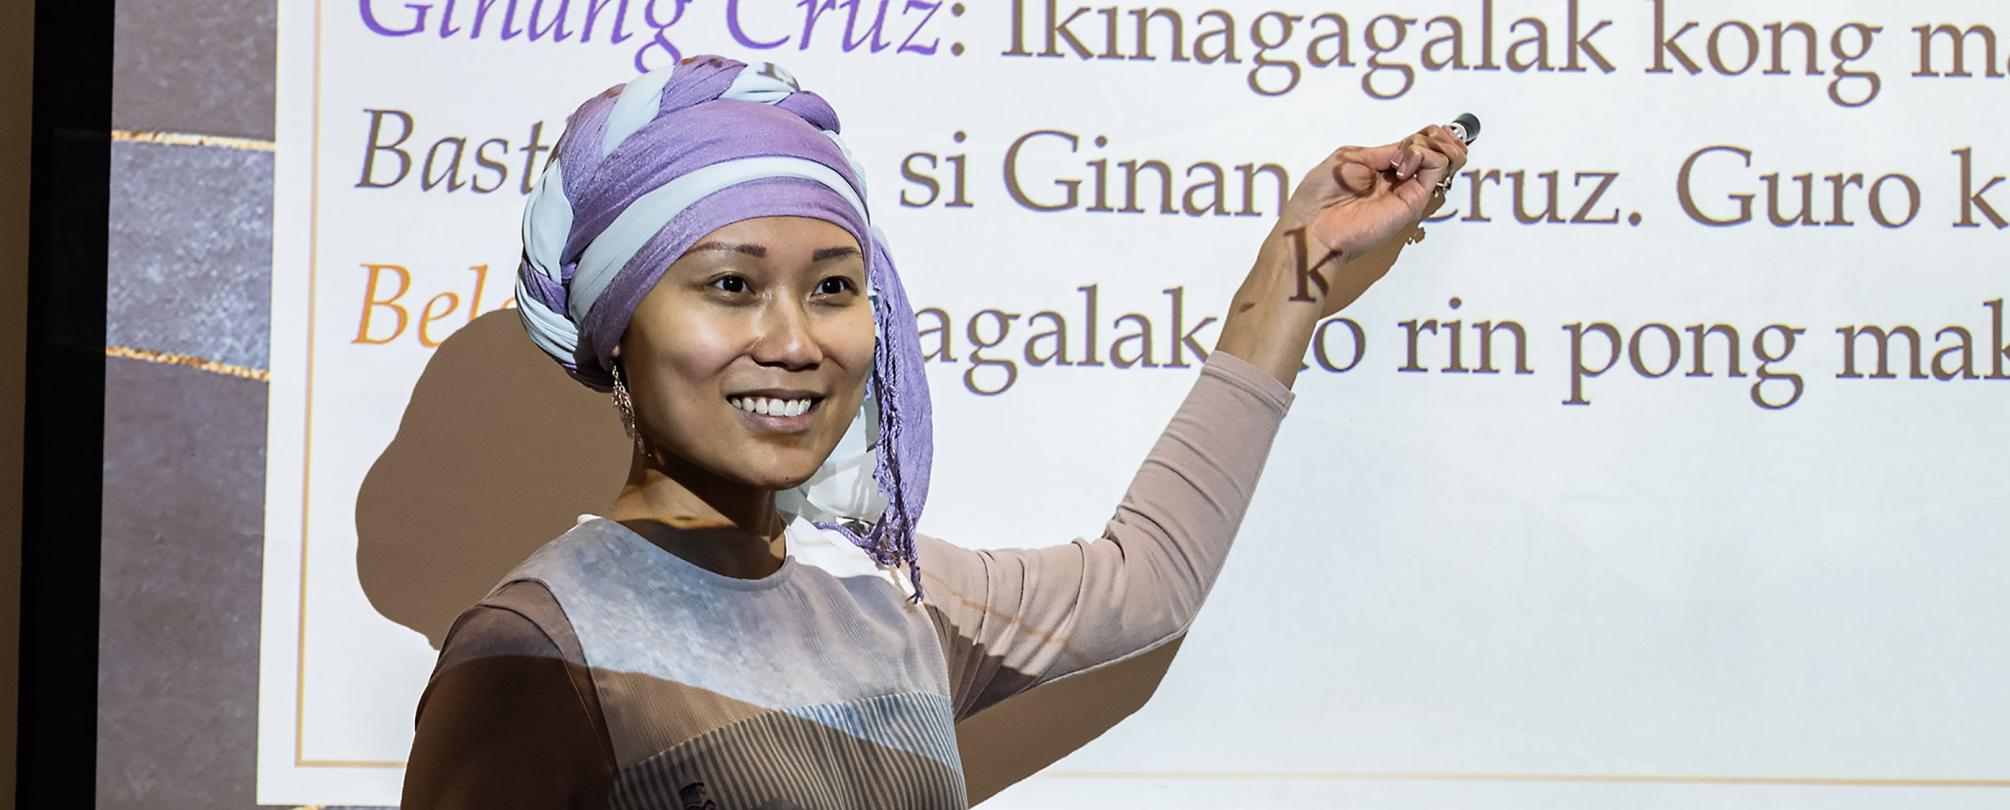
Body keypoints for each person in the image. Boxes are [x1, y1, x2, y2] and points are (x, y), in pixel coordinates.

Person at [400, 54, 1468, 809]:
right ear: (620, 329)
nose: (792, 340)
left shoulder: (888, 599)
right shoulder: (537, 654)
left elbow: (1147, 581)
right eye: (729, 285)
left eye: (833, 288)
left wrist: (1296, 274)